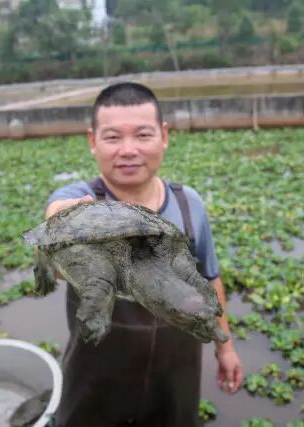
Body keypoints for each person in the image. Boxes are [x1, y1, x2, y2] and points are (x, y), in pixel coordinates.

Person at [44, 82, 243, 427]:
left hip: (176, 376)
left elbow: (210, 279)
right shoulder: (80, 198)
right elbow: (56, 220)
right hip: (96, 379)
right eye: (112, 137)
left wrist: (224, 347)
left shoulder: (188, 205)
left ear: (164, 136)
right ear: (93, 141)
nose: (128, 150)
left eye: (142, 135)